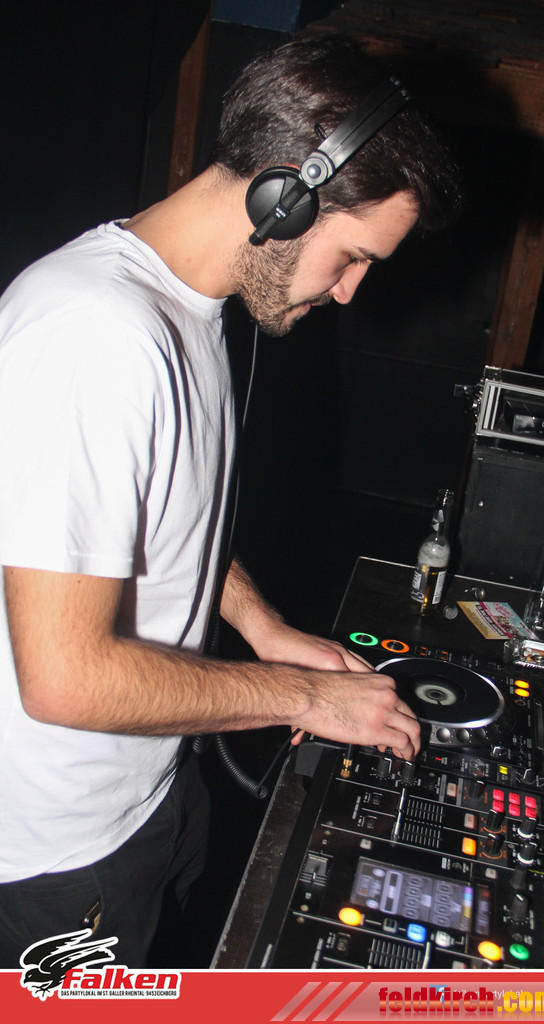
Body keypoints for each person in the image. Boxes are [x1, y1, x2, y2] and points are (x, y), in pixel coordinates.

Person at [0, 33, 461, 968]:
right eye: (352, 256)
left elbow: (165, 523)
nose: (350, 293)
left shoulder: (185, 307)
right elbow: (65, 678)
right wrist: (306, 697)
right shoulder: (91, 335)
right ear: (284, 199)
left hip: (147, 790)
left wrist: (261, 626)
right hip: (58, 856)